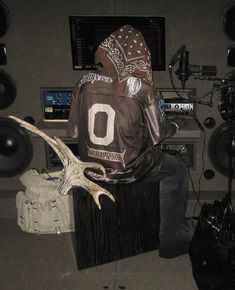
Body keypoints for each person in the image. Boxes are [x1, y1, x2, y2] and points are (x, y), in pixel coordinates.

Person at [67, 25, 196, 258]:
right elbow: (160, 133)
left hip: (91, 168)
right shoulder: (143, 89)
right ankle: (170, 239)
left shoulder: (83, 82)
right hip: (128, 170)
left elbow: (74, 132)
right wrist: (177, 124)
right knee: (177, 169)